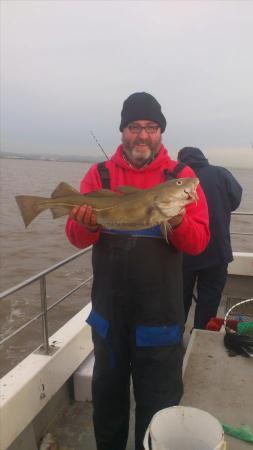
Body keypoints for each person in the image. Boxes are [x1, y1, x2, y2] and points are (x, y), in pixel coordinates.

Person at [65, 93, 210, 450]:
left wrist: (176, 219)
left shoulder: (182, 177)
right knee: (108, 402)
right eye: (134, 127)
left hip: (159, 317)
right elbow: (76, 238)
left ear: (160, 132)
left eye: (150, 127)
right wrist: (87, 223)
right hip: (109, 317)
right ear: (122, 132)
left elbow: (199, 243)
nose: (142, 135)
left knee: (158, 405)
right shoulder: (98, 175)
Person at [177, 146, 242, 330]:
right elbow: (236, 198)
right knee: (209, 300)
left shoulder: (177, 180)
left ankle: (174, 339)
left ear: (181, 161)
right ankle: (200, 337)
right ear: (203, 158)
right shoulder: (221, 173)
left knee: (178, 300)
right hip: (217, 252)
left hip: (184, 253)